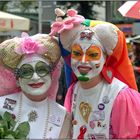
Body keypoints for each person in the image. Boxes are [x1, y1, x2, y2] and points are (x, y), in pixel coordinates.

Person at [50, 8, 140, 139]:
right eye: (77, 53)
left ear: (105, 58)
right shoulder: (73, 90)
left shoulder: (121, 96)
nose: (83, 61)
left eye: (93, 55)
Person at [0, 33, 71, 139]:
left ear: (51, 75)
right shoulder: (1, 105)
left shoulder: (63, 115)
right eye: (26, 72)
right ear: (18, 80)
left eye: (41, 69)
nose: (35, 77)